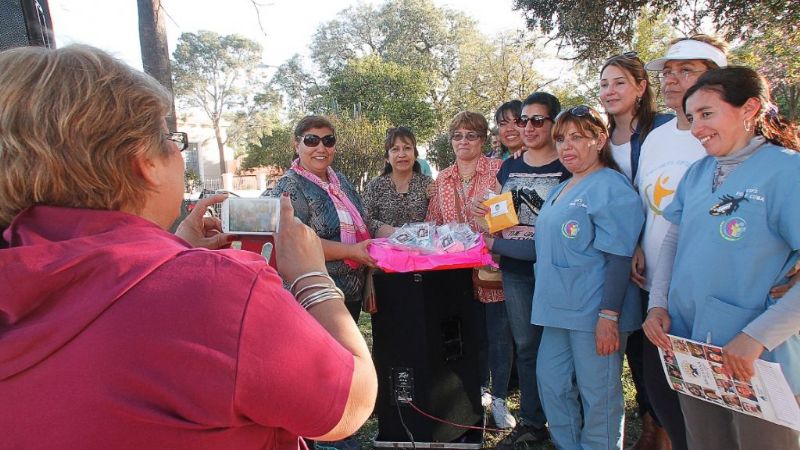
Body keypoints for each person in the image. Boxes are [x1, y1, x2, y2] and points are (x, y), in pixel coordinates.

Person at [0, 44, 377, 449]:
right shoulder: (217, 291)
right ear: (142, 160)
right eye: (172, 140)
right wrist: (311, 277)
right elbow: (349, 406)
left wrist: (174, 248)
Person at [643, 66, 800, 450]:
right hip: (691, 344)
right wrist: (658, 303)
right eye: (692, 117)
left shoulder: (786, 171)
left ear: (750, 108)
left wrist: (757, 337)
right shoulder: (698, 173)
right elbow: (673, 241)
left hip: (756, 354)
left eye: (707, 114)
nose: (696, 128)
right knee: (705, 441)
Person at [634, 35, 729, 450]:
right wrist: (638, 246)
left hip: (709, 294)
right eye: (667, 72)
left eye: (685, 70)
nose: (671, 80)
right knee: (662, 391)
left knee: (712, 404)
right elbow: (650, 203)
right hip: (655, 286)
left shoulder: (723, 140)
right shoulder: (656, 136)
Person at [531, 105, 644, 450]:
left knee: (599, 397)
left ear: (599, 139)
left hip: (595, 311)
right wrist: (491, 243)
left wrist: (609, 315)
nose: (567, 146)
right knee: (551, 383)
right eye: (562, 138)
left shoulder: (611, 186)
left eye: (577, 137)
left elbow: (619, 257)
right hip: (556, 309)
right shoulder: (561, 189)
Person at [473, 92, 568, 448]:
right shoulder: (511, 165)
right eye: (523, 120)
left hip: (558, 271)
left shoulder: (569, 163)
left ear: (554, 123)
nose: (527, 127)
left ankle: (565, 421)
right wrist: (485, 214)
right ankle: (531, 421)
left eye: (537, 120)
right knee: (527, 347)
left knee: (560, 349)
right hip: (515, 270)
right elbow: (496, 214)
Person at [598, 51, 674, 449]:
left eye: (619, 82)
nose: (610, 91)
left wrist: (640, 244)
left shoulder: (665, 131)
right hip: (621, 259)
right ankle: (649, 423)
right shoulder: (602, 140)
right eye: (604, 84)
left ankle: (666, 429)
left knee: (662, 345)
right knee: (637, 348)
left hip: (661, 255)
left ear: (641, 87)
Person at [425, 111, 512, 428]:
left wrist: (489, 222)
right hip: (456, 273)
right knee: (468, 336)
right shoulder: (443, 178)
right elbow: (434, 223)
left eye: (471, 135)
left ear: (484, 139)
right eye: (458, 135)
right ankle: (476, 394)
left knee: (499, 336)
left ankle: (500, 400)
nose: (464, 141)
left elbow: (509, 220)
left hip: (493, 268)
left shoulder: (499, 171)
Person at [270, 115, 393, 324]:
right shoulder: (289, 187)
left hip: (349, 294)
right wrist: (352, 252)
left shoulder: (340, 182)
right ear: (296, 144)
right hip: (314, 297)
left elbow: (363, 222)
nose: (321, 148)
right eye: (311, 140)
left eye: (328, 141)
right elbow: (293, 244)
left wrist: (398, 234)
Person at [363, 127, 434, 228]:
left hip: (421, 243)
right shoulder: (375, 186)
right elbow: (364, 219)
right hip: (385, 243)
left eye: (407, 148)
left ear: (415, 155)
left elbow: (437, 219)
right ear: (387, 158)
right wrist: (381, 229)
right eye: (395, 149)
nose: (402, 154)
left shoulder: (428, 184)